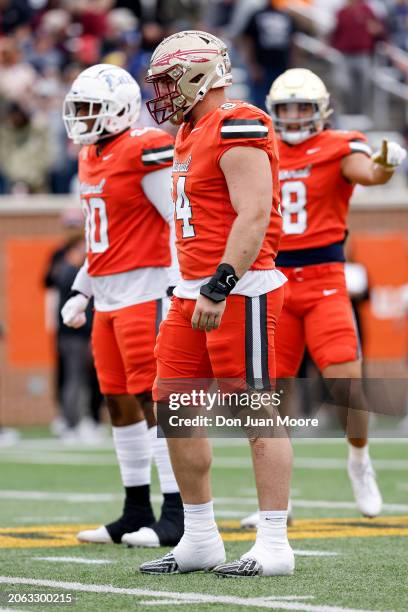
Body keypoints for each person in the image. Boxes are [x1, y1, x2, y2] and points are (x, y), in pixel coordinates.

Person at [139, 30, 294, 578]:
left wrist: (220, 284)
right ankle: (200, 538)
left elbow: (253, 214)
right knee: (173, 407)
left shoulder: (238, 121)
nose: (160, 91)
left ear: (196, 74)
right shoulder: (190, 129)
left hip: (238, 287)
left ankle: (274, 543)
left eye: (166, 79)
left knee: (254, 408)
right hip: (192, 289)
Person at [240, 68, 407, 529]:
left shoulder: (339, 144)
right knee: (272, 392)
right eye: (286, 108)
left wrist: (387, 165)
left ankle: (359, 460)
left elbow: (368, 172)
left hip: (325, 280)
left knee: (346, 385)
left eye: (302, 108)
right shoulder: (259, 146)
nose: (293, 117)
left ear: (321, 111)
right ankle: (278, 503)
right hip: (272, 279)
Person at [61, 63, 183, 548]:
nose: (83, 119)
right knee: (117, 400)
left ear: (120, 111)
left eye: (92, 109)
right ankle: (136, 510)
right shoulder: (90, 155)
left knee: (156, 404)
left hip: (147, 292)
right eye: (79, 109)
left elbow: (178, 220)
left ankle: (176, 512)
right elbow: (100, 239)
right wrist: (80, 290)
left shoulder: (145, 147)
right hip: (108, 298)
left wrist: (179, 286)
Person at [242, 0, 296, 110]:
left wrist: (291, 65)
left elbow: (293, 42)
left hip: (281, 65)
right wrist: (252, 65)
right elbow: (248, 41)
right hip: (262, 66)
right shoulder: (257, 15)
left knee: (280, 102)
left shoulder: (288, 16)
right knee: (259, 104)